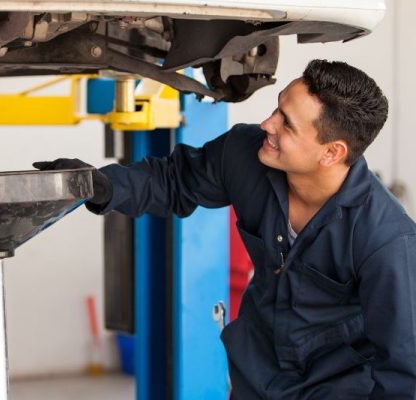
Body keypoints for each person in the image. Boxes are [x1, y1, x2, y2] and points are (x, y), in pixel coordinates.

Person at [34, 60, 416, 399]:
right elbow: (173, 180)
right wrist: (102, 184)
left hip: (336, 384)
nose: (268, 124)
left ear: (331, 152)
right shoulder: (245, 155)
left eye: (287, 124)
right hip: (257, 372)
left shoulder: (386, 241)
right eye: (277, 109)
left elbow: (403, 366)